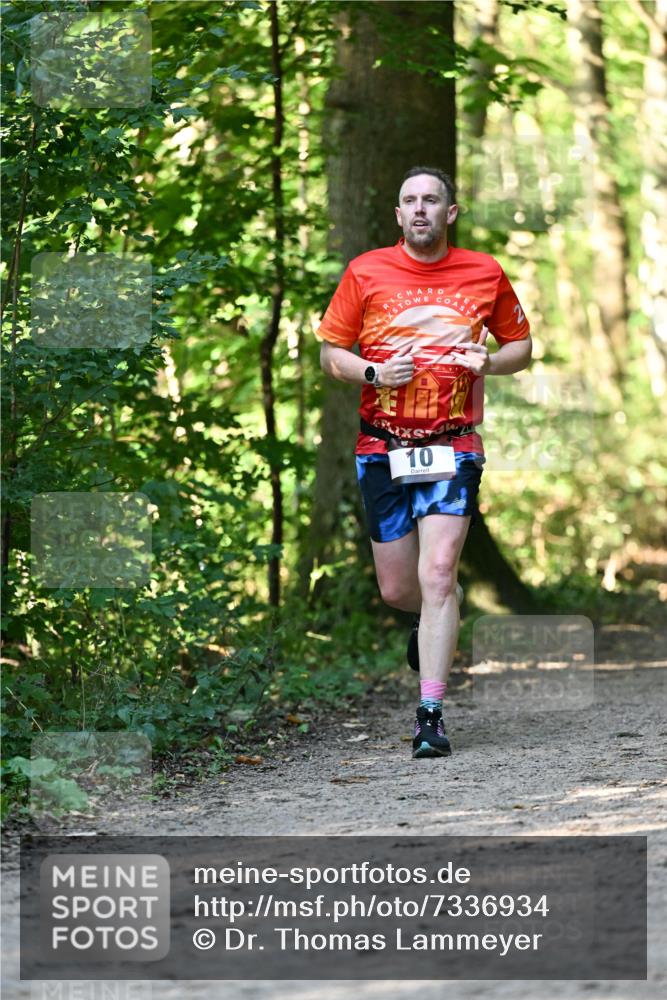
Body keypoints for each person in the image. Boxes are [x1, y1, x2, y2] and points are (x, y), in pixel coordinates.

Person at [318, 167, 532, 758]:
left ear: (450, 212)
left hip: (453, 443)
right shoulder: (366, 271)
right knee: (398, 588)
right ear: (398, 214)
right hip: (381, 445)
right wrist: (373, 372)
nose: (420, 209)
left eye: (431, 200)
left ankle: (430, 714)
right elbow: (331, 353)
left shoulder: (484, 272)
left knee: (437, 575)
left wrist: (488, 363)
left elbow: (521, 346)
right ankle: (439, 613)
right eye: (409, 200)